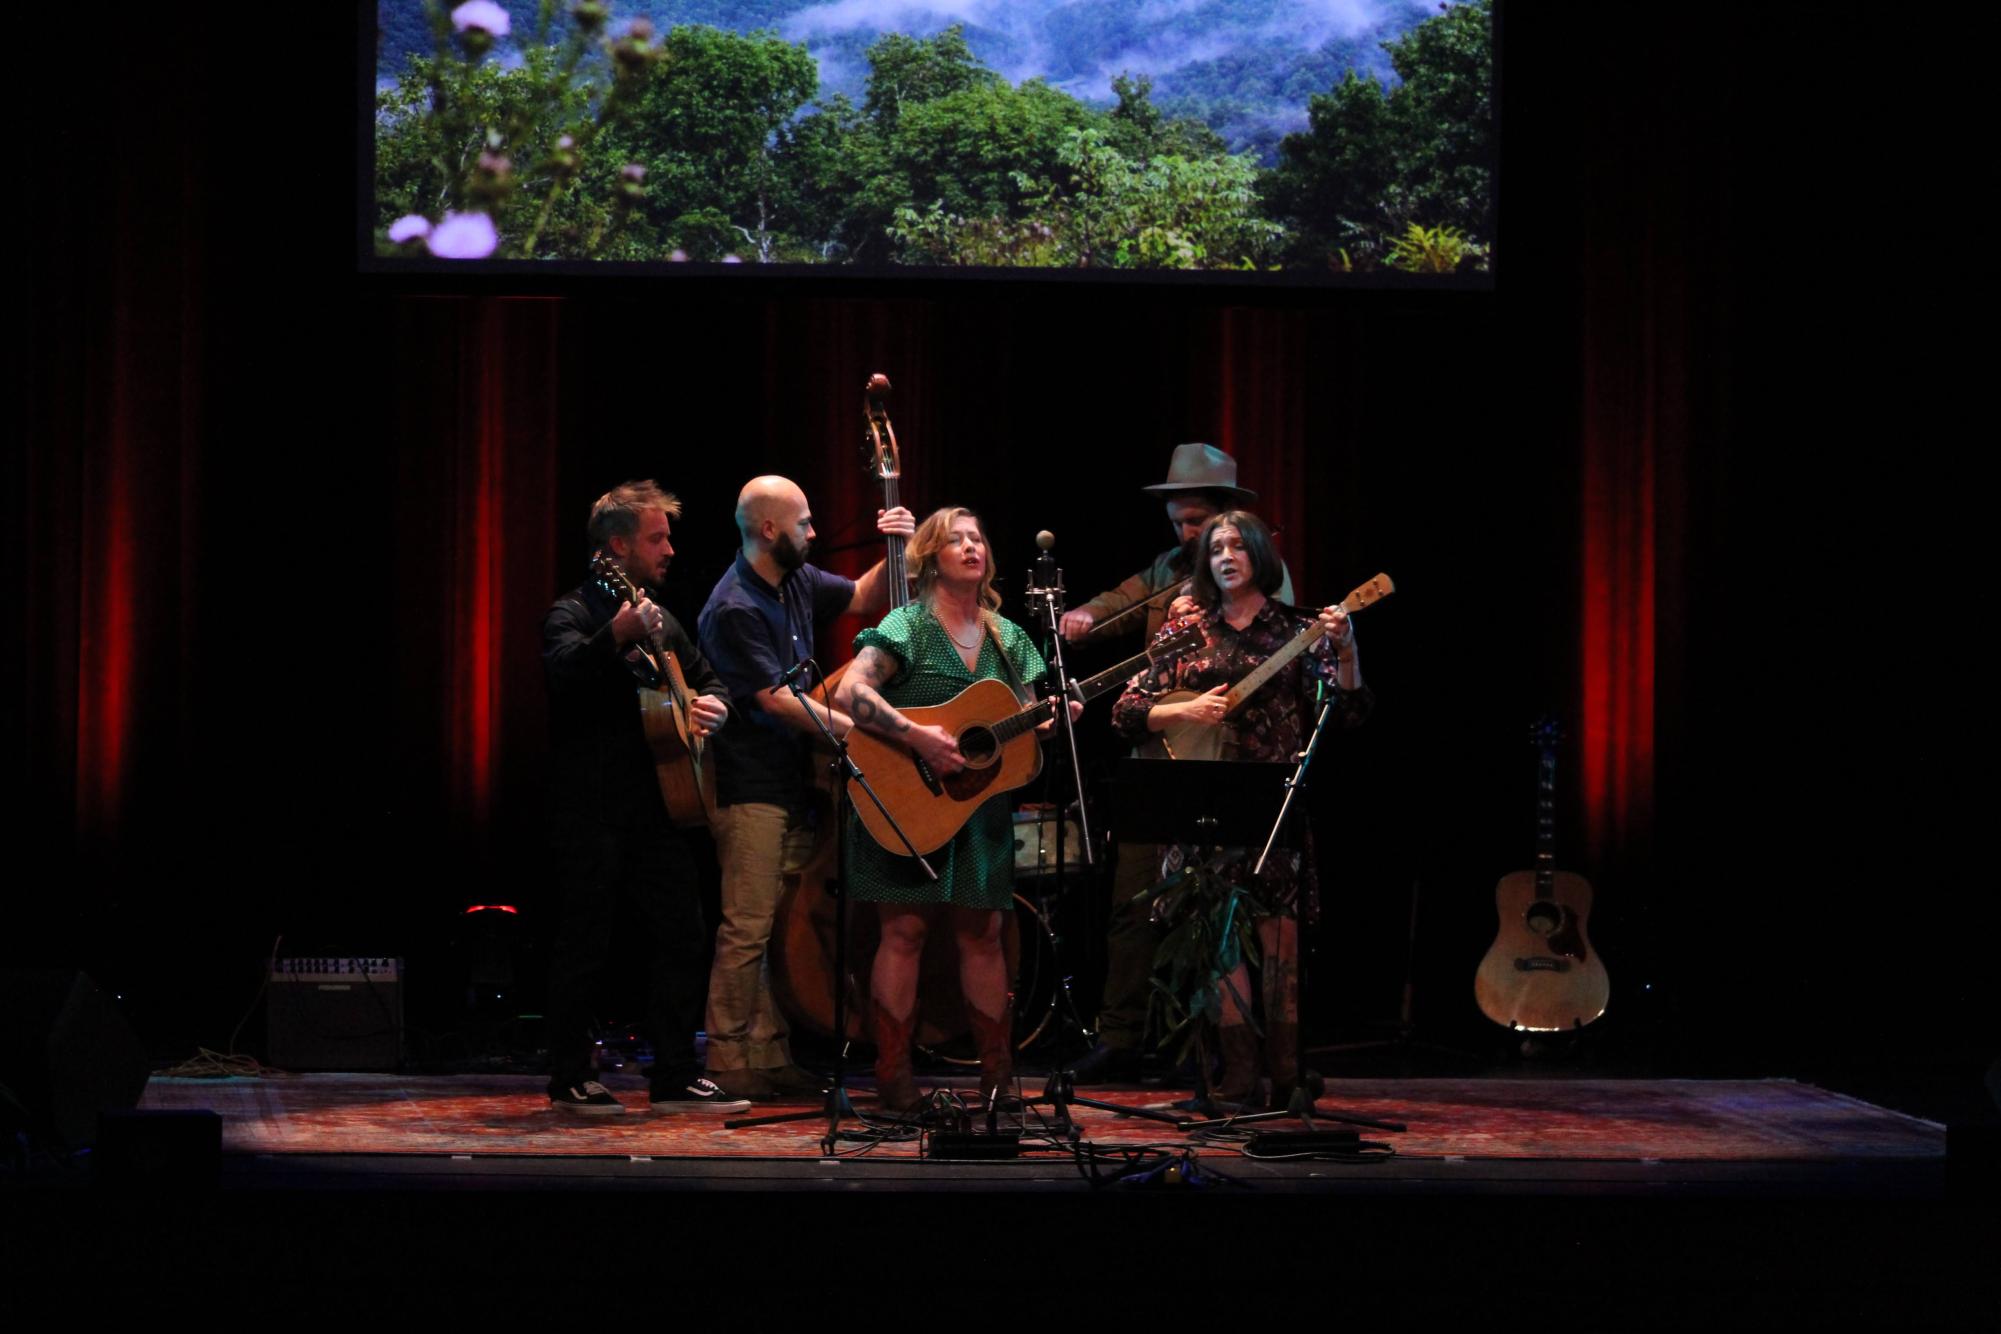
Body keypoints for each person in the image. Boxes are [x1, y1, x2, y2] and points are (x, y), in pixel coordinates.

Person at [1110, 510, 1372, 1109]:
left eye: (1237, 547)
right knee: (1217, 938)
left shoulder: (1294, 630)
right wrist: (1182, 712)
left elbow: (1348, 712)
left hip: (1270, 802)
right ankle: (1238, 1070)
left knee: (1276, 936)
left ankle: (1285, 1069)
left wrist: (1348, 649)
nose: (1226, 557)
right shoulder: (1186, 632)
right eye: (1216, 549)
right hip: (1199, 796)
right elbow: (1126, 713)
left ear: (1260, 557)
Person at [1057, 443, 1294, 1084]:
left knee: (1226, 915)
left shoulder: (1259, 577)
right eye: (1180, 524)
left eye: (1197, 524)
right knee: (1136, 901)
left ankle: (1218, 1052)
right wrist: (1083, 616)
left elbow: (1278, 669)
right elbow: (1118, 601)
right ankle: (1122, 1037)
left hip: (1231, 765)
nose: (1187, 536)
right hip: (1157, 753)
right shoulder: (1165, 570)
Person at [835, 507, 1082, 1112]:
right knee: (904, 932)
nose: (971, 547)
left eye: (978, 537)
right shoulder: (906, 626)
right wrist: (917, 737)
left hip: (979, 807)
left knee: (985, 934)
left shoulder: (1011, 636)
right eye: (955, 539)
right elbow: (850, 693)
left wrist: (1054, 722)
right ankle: (892, 1076)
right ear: (930, 557)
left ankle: (998, 1078)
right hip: (906, 799)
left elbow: (1020, 726)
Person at [695, 476, 916, 1102]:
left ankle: (768, 1053)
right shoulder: (735, 604)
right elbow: (775, 700)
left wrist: (896, 542)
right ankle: (729, 1055)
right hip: (748, 785)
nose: (814, 534)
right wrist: (865, 728)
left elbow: (864, 597)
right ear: (769, 529)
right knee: (748, 926)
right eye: (805, 524)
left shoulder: (793, 579)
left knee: (780, 923)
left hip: (790, 783)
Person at [539, 480, 747, 1115]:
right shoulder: (572, 611)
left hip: (660, 807)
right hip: (592, 809)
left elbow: (708, 681)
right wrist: (616, 634)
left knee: (685, 933)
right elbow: (563, 671)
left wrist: (715, 706)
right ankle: (570, 1076)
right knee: (585, 944)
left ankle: (674, 1073)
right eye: (658, 538)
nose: (671, 549)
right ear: (617, 546)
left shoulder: (664, 619)